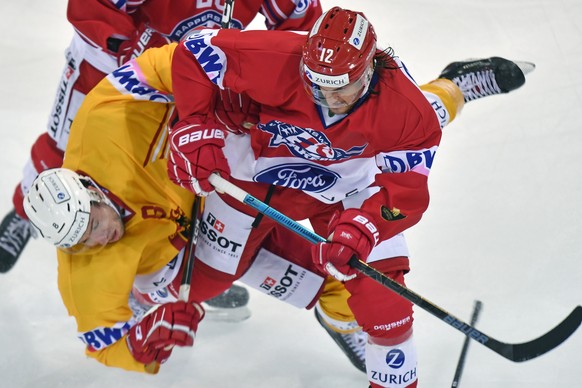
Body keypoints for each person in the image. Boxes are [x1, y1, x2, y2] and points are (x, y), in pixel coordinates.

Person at [23, 8, 532, 385]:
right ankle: (331, 307)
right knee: (219, 281)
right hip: (242, 186)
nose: (101, 237)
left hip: (337, 176)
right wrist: (139, 342)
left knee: (378, 277)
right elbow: (102, 341)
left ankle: (456, 84)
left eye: (92, 221)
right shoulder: (86, 269)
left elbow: (403, 190)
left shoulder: (105, 128)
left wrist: (366, 226)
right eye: (84, 242)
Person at [0, 0, 322, 273]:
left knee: (196, 166)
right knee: (66, 147)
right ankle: (28, 209)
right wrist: (136, 46)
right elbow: (91, 8)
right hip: (111, 65)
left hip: (197, 75)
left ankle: (190, 259)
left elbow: (302, 32)